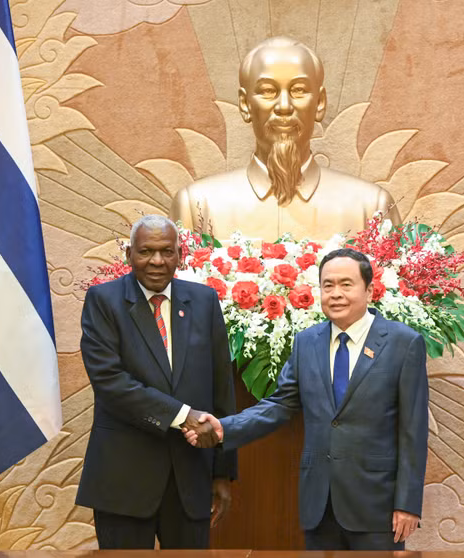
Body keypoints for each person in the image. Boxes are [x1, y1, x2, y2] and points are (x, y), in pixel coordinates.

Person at [185, 248, 428, 550]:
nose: (335, 294)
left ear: (369, 290)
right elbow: (280, 405)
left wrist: (407, 504)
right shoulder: (306, 342)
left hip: (377, 506)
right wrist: (224, 428)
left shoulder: (403, 344)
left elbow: (413, 431)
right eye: (328, 285)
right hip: (319, 504)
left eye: (346, 284)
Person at [76, 214, 236, 549]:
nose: (157, 261)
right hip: (124, 479)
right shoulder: (104, 301)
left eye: (167, 251)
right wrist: (182, 416)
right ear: (129, 255)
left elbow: (221, 389)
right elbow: (110, 382)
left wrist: (222, 471)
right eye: (146, 251)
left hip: (190, 479)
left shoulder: (204, 301)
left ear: (180, 254)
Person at [170, 37, 401, 241]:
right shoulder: (197, 206)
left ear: (319, 103)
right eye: (268, 91)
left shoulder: (371, 208)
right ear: (245, 104)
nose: (283, 106)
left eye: (299, 90)